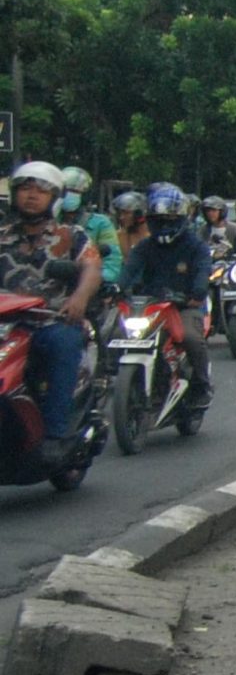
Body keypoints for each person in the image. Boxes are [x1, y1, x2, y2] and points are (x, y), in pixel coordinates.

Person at [1, 161, 104, 465]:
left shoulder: (71, 235)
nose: (31, 195)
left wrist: (79, 297)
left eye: (40, 190)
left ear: (54, 197)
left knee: (63, 344)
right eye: (25, 188)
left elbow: (92, 268)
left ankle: (56, 434)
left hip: (50, 321)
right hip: (6, 323)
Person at [123, 184, 215, 405]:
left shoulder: (195, 246)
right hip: (149, 306)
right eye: (159, 219)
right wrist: (115, 287)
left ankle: (202, 385)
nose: (164, 225)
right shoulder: (145, 246)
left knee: (191, 338)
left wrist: (197, 292)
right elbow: (129, 269)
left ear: (181, 218)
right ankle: (107, 378)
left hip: (185, 305)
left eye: (170, 220)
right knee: (115, 331)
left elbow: (204, 270)